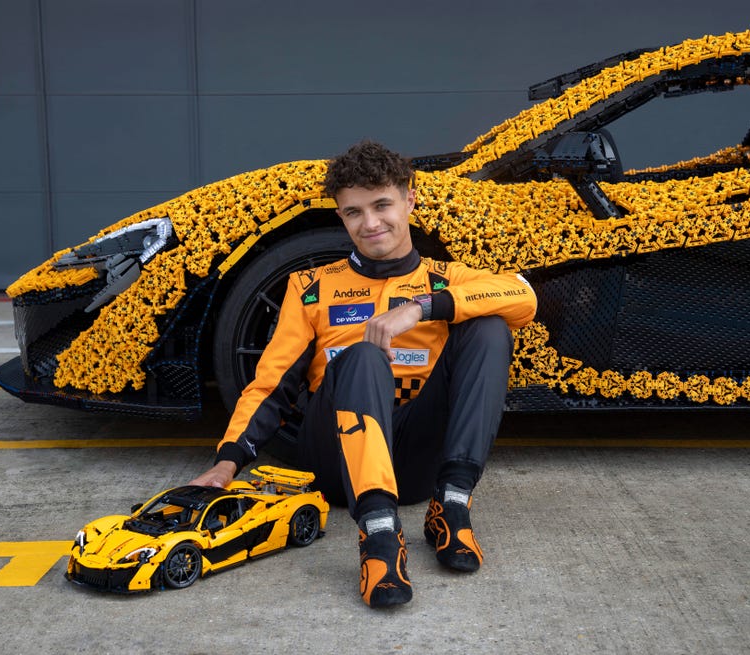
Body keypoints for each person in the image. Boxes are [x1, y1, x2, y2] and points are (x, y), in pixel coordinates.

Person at [191, 140, 537, 608]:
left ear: (409, 199)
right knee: (362, 356)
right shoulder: (311, 287)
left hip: (414, 461)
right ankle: (378, 537)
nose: (370, 223)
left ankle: (452, 507)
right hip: (336, 465)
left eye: (381, 205)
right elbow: (271, 382)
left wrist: (421, 308)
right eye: (353, 212)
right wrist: (226, 463)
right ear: (341, 217)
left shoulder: (444, 279)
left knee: (491, 328)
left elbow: (523, 296)